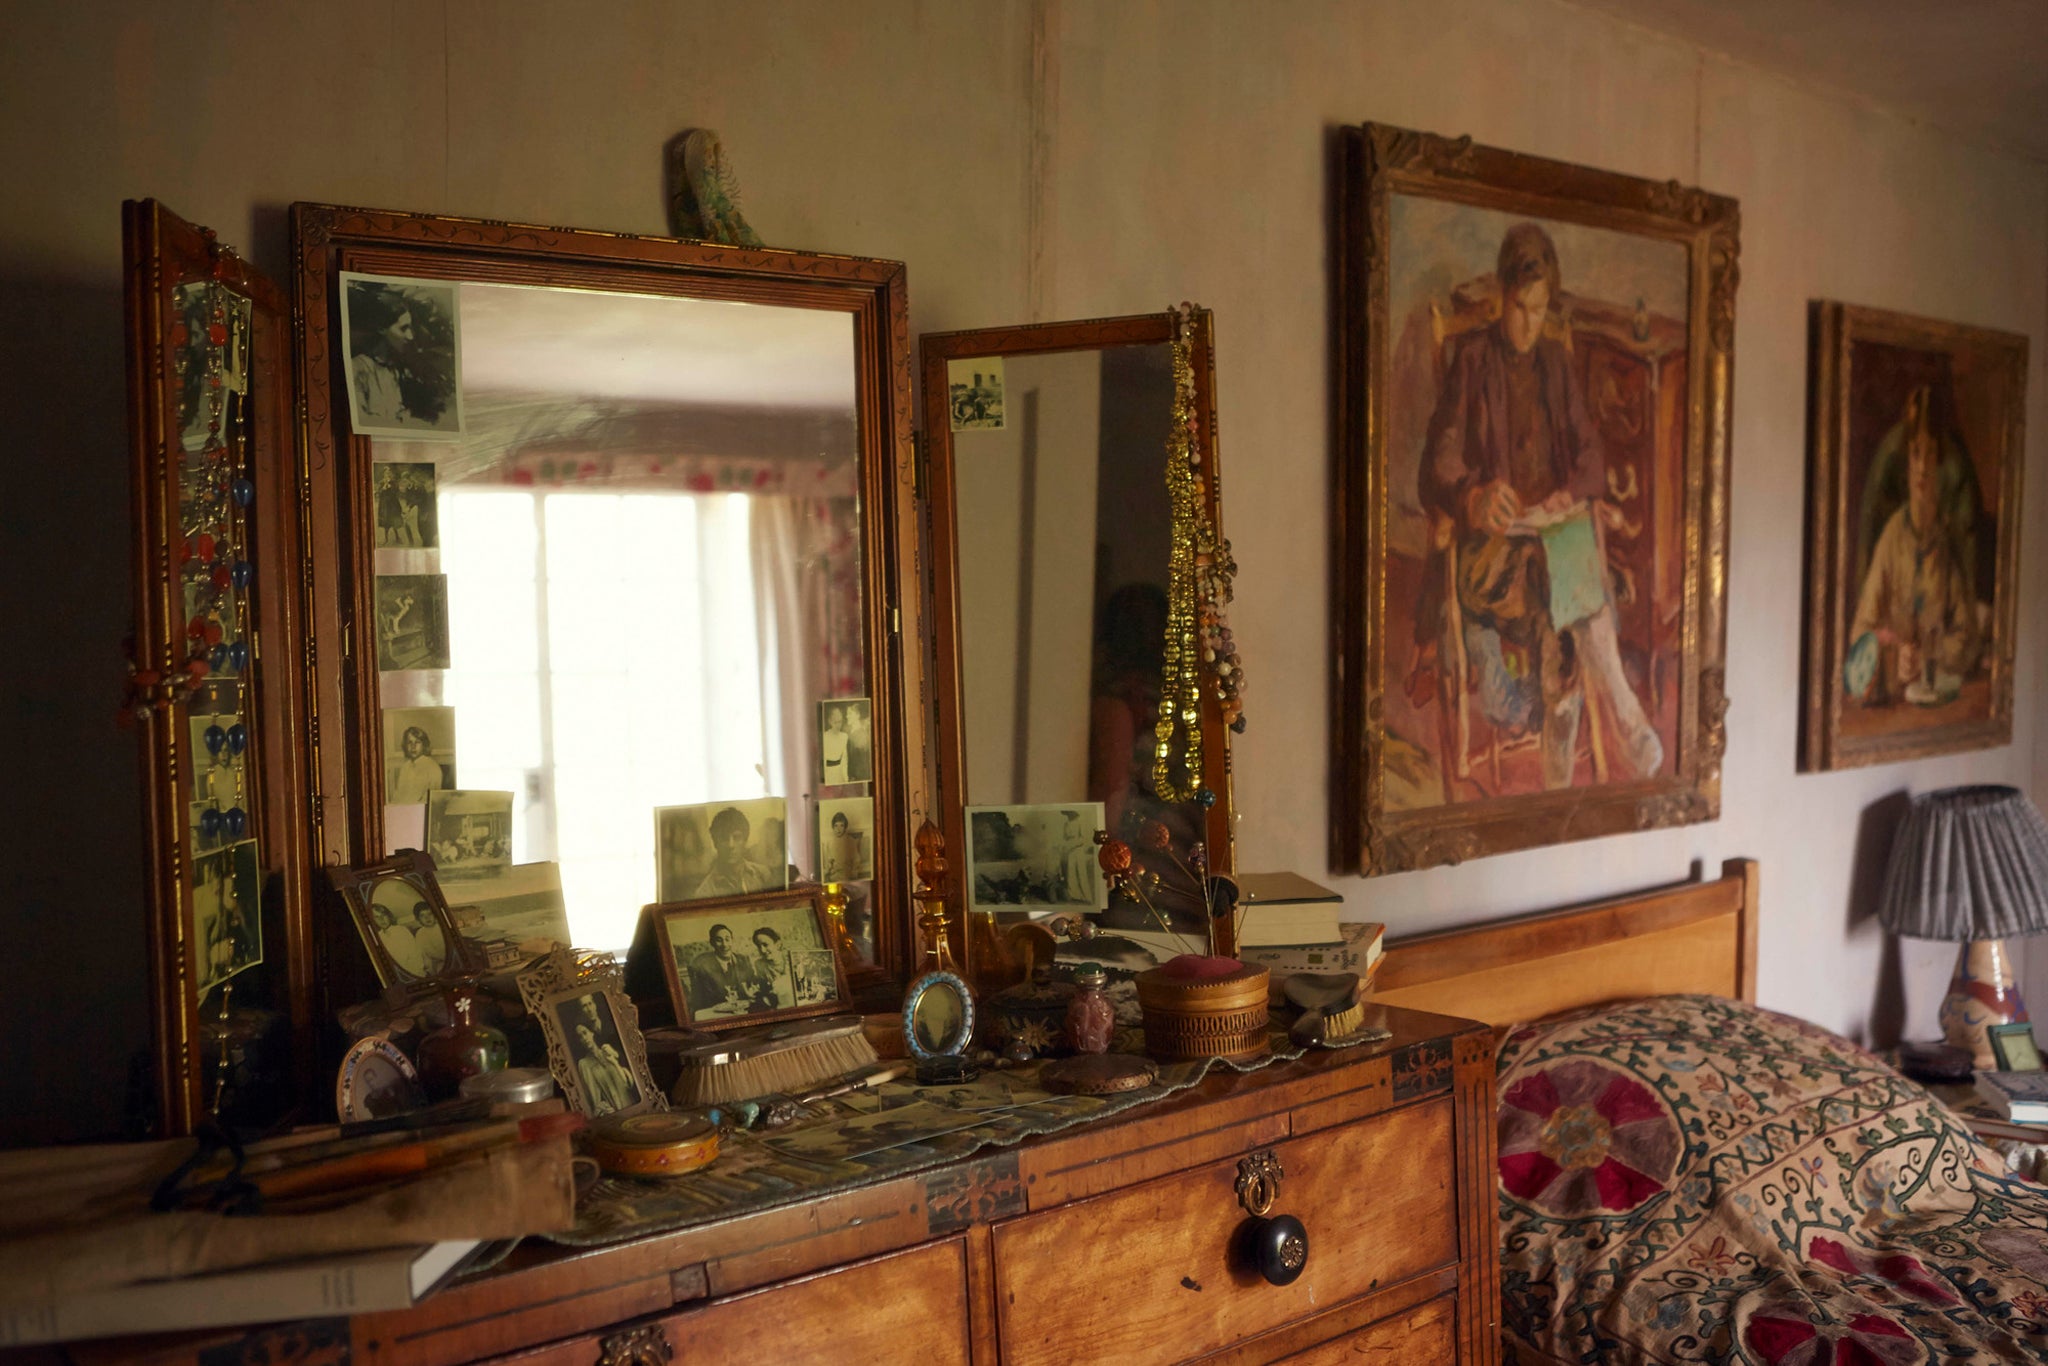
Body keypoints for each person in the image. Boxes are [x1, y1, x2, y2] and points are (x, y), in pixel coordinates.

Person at [1416, 221, 1663, 790]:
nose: (1530, 323)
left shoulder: (1554, 363)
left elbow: (1592, 456)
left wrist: (1567, 492)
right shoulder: (1474, 361)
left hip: (1546, 548)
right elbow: (1437, 462)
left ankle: (1560, 774)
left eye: (1540, 309)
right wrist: (1473, 497)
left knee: (1561, 585)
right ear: (1504, 297)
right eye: (1522, 307)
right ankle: (1617, 722)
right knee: (1568, 588)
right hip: (1491, 556)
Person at [1848, 386, 1985, 702]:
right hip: (1893, 700)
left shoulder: (1947, 543)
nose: (1923, 468)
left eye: (1931, 455)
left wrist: (1927, 658)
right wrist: (1893, 656)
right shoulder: (1892, 538)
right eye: (1916, 454)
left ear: (1940, 465)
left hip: (1934, 700)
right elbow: (1860, 632)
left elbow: (1967, 639)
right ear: (1907, 461)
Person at [350, 286, 413, 425]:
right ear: (381, 328)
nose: (410, 336)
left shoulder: (396, 371)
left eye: (410, 328)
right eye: (403, 328)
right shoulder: (357, 369)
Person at [695, 807, 776, 897]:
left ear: (745, 841)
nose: (731, 845)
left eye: (737, 837)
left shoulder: (763, 875)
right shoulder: (705, 892)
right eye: (724, 838)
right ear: (715, 842)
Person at [685, 922, 759, 1013]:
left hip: (744, 1010)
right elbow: (698, 1001)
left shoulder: (743, 960)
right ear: (712, 943)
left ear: (732, 940)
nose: (724, 945)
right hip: (716, 1013)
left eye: (727, 939)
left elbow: (754, 984)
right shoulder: (702, 965)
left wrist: (753, 991)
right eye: (719, 940)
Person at [573, 1022, 636, 1114]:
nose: (584, 1038)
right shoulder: (584, 1064)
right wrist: (604, 1109)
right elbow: (594, 1099)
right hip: (614, 1114)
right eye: (580, 1037)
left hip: (632, 1106)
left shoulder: (608, 1051)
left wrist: (615, 1058)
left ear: (592, 1033)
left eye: (585, 1033)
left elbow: (630, 1083)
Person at [389, 725, 446, 805]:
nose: (413, 746)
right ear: (405, 746)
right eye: (410, 742)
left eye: (417, 742)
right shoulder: (405, 767)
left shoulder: (432, 768)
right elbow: (398, 795)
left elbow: (431, 800)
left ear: (424, 745)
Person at [1058, 810, 1097, 906]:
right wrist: (1064, 846)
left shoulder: (1080, 823)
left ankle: (1085, 897)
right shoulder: (1065, 824)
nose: (1068, 816)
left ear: (1074, 814)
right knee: (1070, 872)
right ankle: (1074, 895)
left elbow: (1083, 839)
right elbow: (1064, 838)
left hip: (1078, 850)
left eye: (1070, 814)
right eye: (1067, 814)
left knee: (1080, 872)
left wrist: (1073, 844)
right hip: (1069, 851)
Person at [820, 810, 864, 881]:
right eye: (836, 826)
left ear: (845, 827)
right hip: (835, 875)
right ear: (833, 827)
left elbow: (857, 859)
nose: (838, 829)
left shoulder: (851, 841)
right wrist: (828, 869)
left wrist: (854, 871)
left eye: (841, 826)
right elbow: (828, 862)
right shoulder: (829, 843)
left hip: (847, 874)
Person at [749, 927, 786, 1009]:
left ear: (777, 944)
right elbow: (765, 990)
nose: (762, 950)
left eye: (765, 945)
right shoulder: (759, 964)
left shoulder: (790, 959)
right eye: (759, 946)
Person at [819, 705, 849, 783]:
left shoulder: (844, 736)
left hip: (840, 774)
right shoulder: (825, 737)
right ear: (830, 721)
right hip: (828, 775)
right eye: (836, 722)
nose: (838, 725)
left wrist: (846, 779)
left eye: (840, 721)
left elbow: (844, 760)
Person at [844, 703, 873, 783]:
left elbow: (863, 763)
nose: (847, 716)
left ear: (857, 715)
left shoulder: (862, 735)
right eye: (847, 714)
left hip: (859, 777)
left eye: (850, 714)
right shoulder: (849, 733)